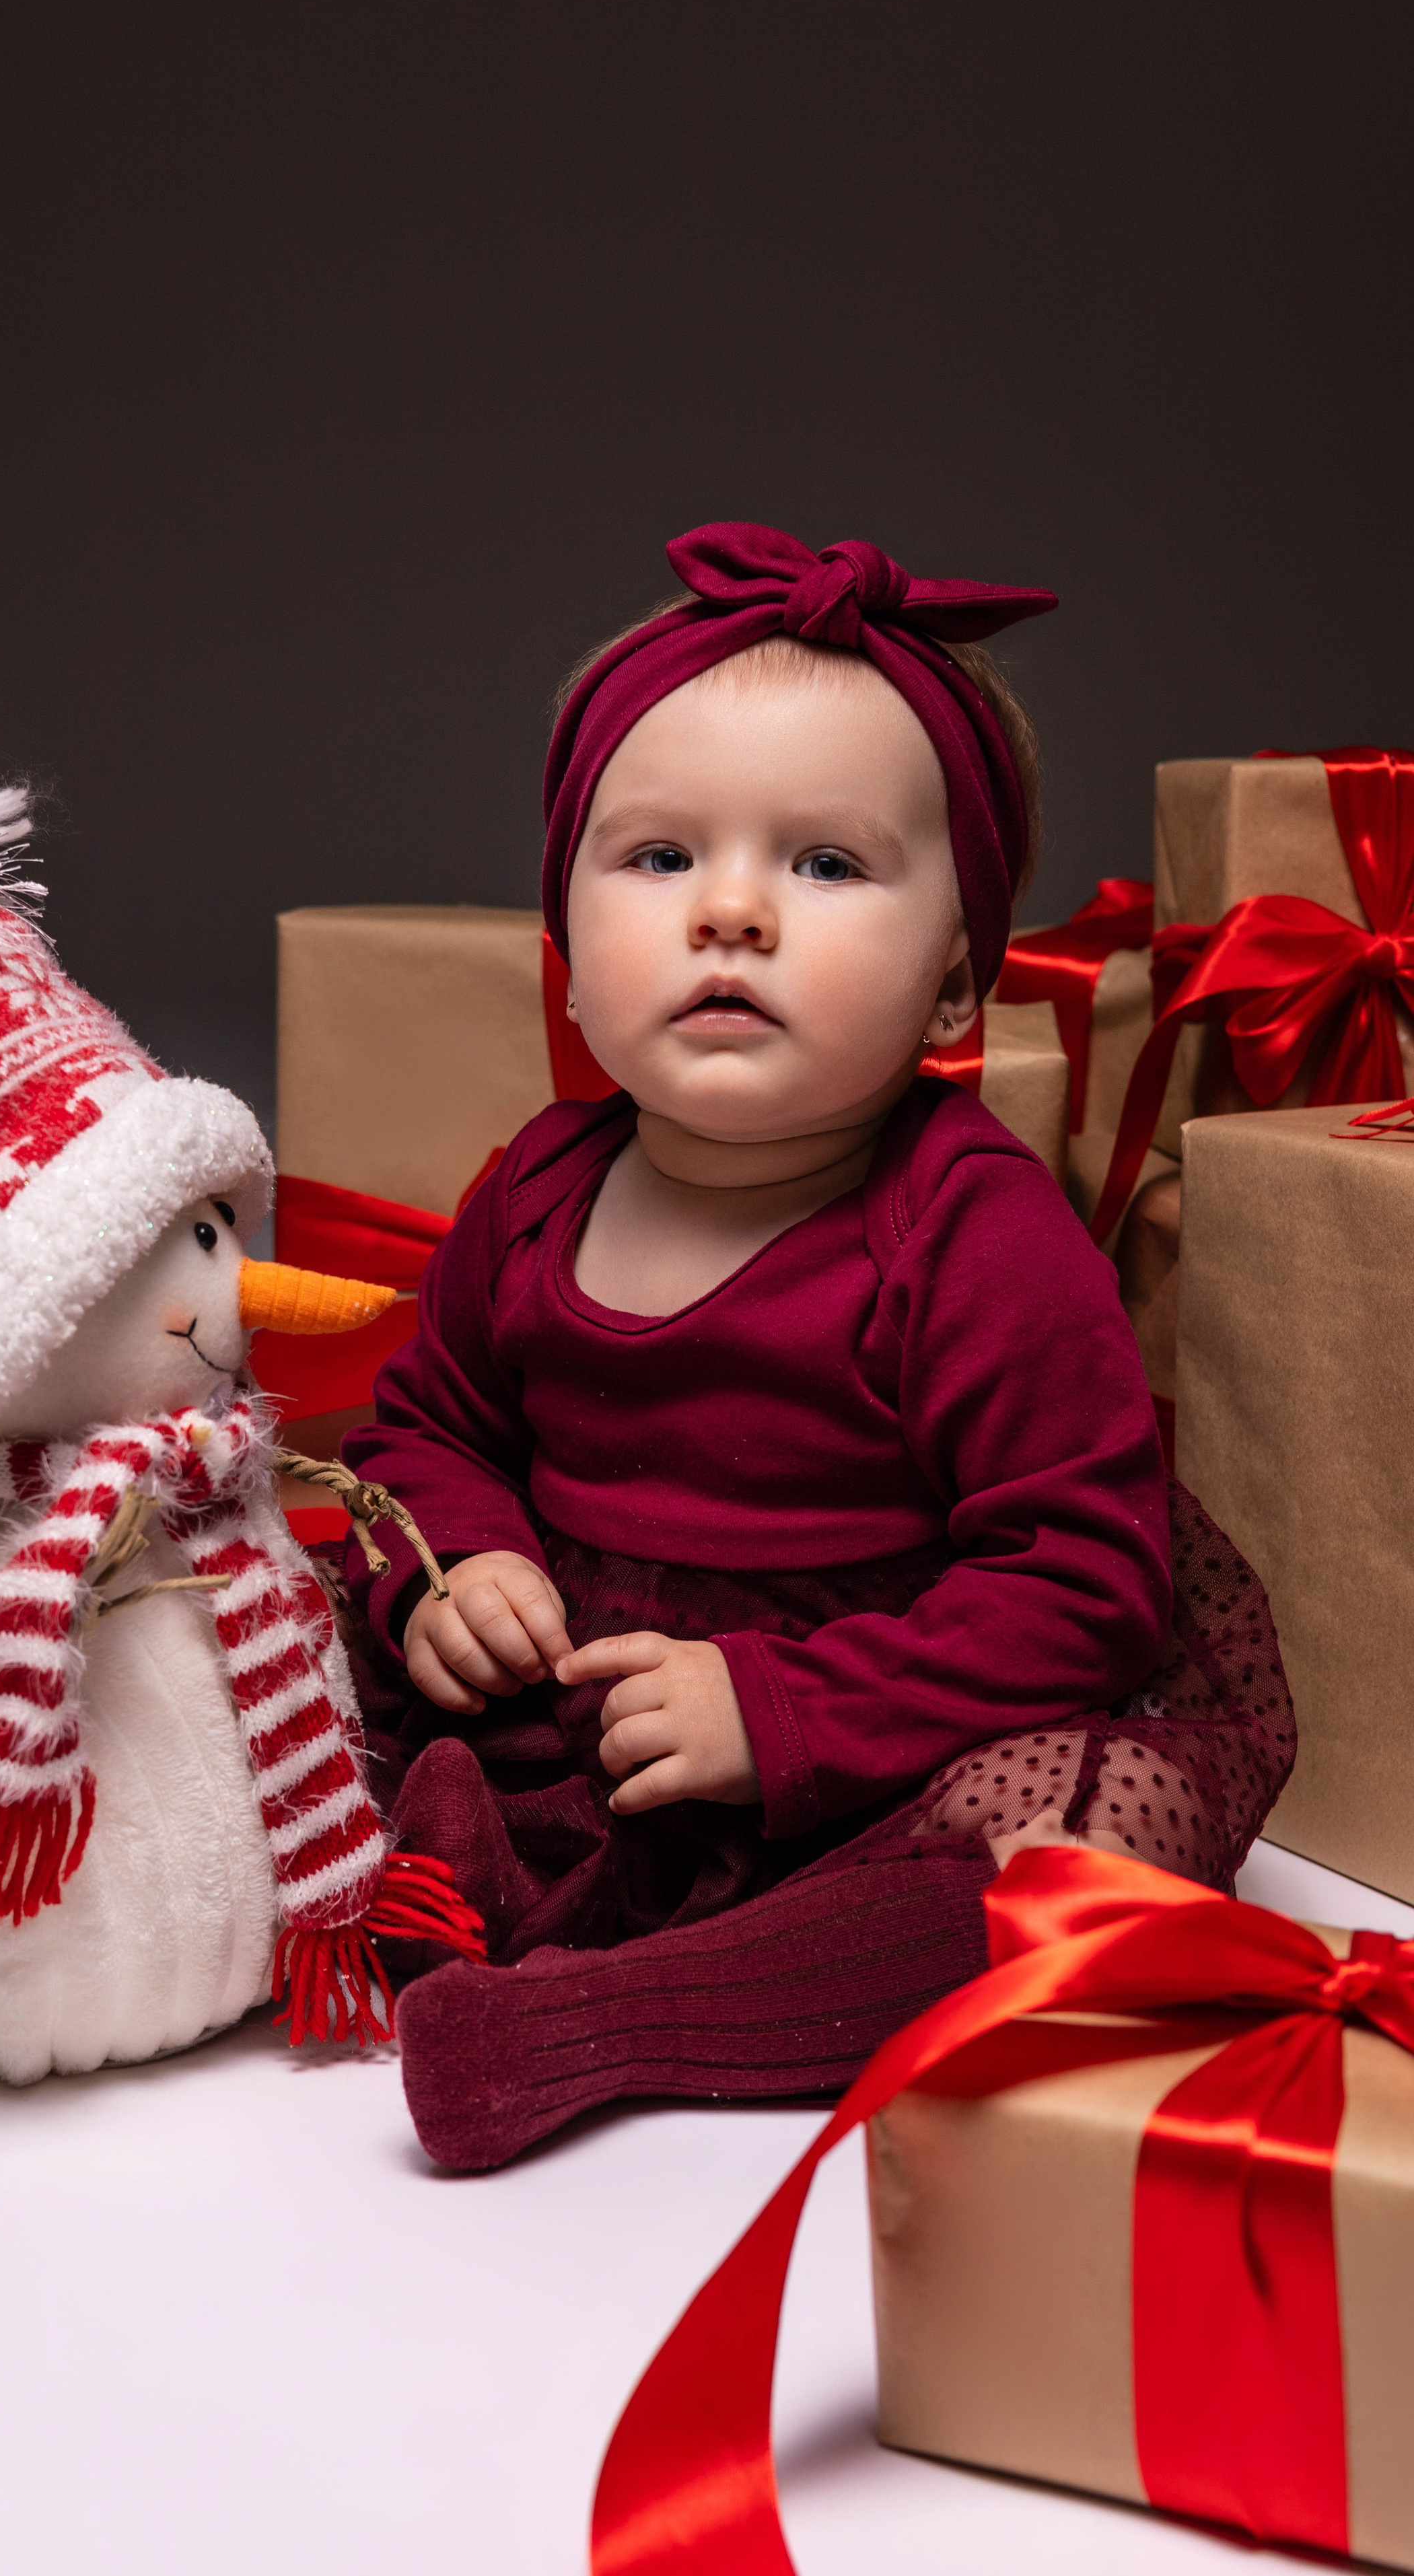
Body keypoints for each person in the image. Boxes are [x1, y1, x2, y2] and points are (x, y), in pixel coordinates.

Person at [339, 522, 1294, 2171]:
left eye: (825, 866)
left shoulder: (972, 1234)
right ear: (564, 954)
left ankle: (608, 2025)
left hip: (881, 1736)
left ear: (950, 992)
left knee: (1056, 1864)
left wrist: (775, 1712)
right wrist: (459, 1570)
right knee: (260, 1636)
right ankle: (422, 1888)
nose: (729, 911)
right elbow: (424, 1429)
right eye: (656, 858)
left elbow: (1078, 1584)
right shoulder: (537, 1187)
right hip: (581, 1706)